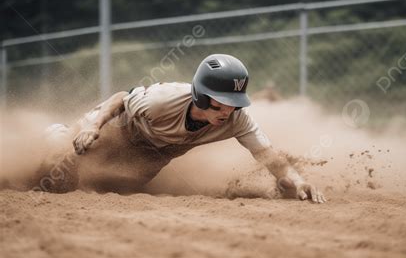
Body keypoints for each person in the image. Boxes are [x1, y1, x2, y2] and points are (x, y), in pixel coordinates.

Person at [38, 54, 326, 203]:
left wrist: (297, 180)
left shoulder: (238, 118)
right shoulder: (163, 99)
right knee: (58, 171)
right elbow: (120, 99)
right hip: (118, 131)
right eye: (221, 103)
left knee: (118, 186)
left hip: (150, 158)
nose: (227, 111)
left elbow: (269, 156)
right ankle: (58, 134)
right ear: (200, 94)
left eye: (235, 103)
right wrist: (91, 127)